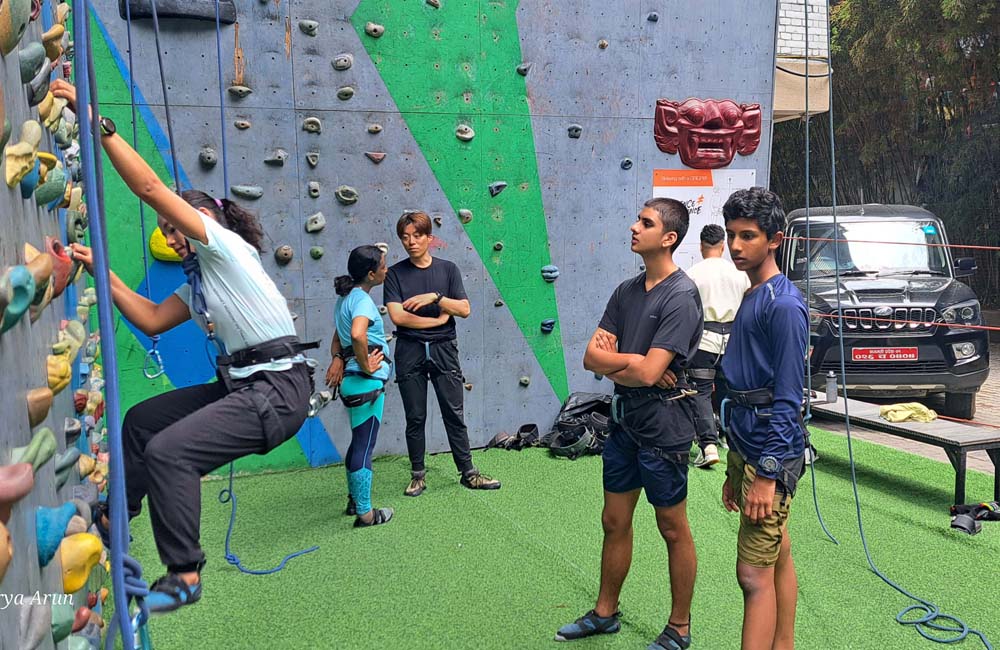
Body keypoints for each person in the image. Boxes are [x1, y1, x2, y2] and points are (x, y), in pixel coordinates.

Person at [53, 77, 317, 613]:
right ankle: (115, 517)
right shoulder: (199, 285)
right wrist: (102, 272)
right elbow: (151, 320)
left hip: (277, 389)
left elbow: (152, 188)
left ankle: (185, 574)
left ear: (204, 223)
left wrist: (98, 124)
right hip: (244, 386)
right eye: (166, 232)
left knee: (170, 452)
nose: (171, 237)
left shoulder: (226, 248)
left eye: (175, 228)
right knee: (143, 423)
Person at [556, 198, 702, 650]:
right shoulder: (625, 291)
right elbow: (590, 358)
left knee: (672, 527)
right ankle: (605, 614)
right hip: (624, 425)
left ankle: (679, 627)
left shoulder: (681, 296)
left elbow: (649, 373)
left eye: (645, 222)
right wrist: (636, 361)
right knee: (613, 520)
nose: (633, 227)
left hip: (664, 428)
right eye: (637, 219)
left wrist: (628, 364)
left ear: (669, 238)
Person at [720, 187, 808, 650]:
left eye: (748, 236)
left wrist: (767, 474)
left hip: (770, 451)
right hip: (746, 441)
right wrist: (735, 468)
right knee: (779, 551)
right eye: (731, 234)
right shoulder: (754, 291)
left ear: (775, 239)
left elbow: (789, 399)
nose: (736, 245)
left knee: (752, 575)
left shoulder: (784, 304)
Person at [382, 211, 500, 496]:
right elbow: (398, 317)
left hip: (444, 349)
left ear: (429, 238)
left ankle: (468, 473)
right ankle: (417, 476)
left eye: (417, 236)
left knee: (454, 413)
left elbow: (464, 309)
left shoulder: (448, 270)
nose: (411, 242)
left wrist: (436, 298)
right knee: (415, 417)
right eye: (405, 237)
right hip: (409, 350)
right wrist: (437, 319)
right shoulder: (395, 274)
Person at [325, 245, 394, 527]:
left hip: (353, 384)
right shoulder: (363, 301)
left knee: (358, 443)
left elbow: (337, 340)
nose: (386, 269)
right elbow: (356, 334)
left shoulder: (346, 299)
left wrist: (339, 358)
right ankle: (365, 514)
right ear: (371, 274)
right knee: (364, 447)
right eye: (383, 266)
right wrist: (366, 365)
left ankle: (354, 500)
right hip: (366, 384)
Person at [685, 224, 750, 468]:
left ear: (701, 246)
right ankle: (730, 439)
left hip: (703, 341)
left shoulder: (692, 274)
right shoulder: (740, 274)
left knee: (701, 392)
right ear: (723, 246)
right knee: (730, 391)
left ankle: (708, 445)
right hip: (733, 342)